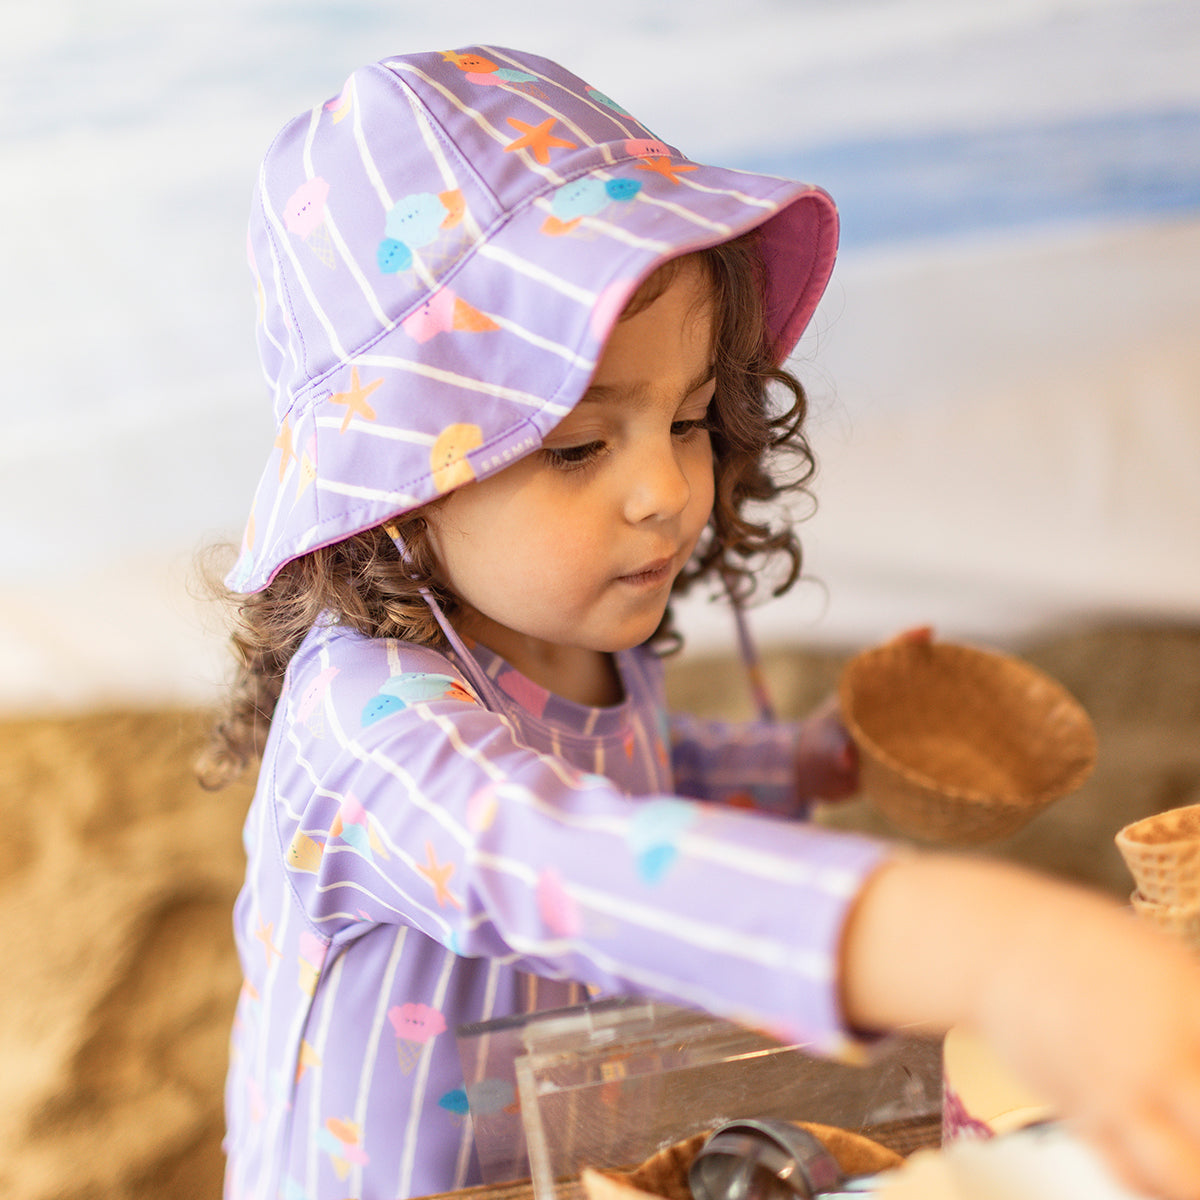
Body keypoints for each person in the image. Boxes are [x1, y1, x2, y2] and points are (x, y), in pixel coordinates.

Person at [201, 47, 1200, 1200]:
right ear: (396, 499)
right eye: (578, 446)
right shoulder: (364, 732)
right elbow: (561, 855)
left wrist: (805, 758)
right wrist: (998, 950)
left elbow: (641, 775)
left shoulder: (574, 643)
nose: (668, 490)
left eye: (686, 421)